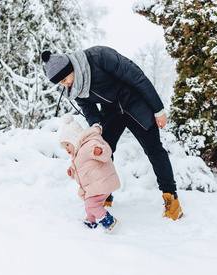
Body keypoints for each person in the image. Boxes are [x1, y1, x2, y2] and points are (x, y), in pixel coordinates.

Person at [41, 45, 183, 221]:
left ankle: (170, 197)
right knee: (100, 153)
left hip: (135, 104)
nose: (65, 84)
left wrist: (158, 110)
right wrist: (96, 127)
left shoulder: (100, 56)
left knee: (154, 149)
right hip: (111, 112)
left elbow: (137, 77)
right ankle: (103, 196)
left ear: (71, 68)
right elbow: (89, 108)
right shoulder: (74, 89)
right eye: (60, 83)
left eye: (64, 78)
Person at [59, 113, 120, 233]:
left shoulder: (89, 145)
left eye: (67, 144)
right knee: (89, 206)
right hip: (94, 187)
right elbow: (81, 171)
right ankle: (90, 222)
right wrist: (72, 172)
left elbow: (106, 150)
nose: (66, 148)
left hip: (101, 184)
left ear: (74, 139)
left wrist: (100, 151)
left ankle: (110, 222)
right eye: (63, 146)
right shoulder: (77, 156)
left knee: (91, 205)